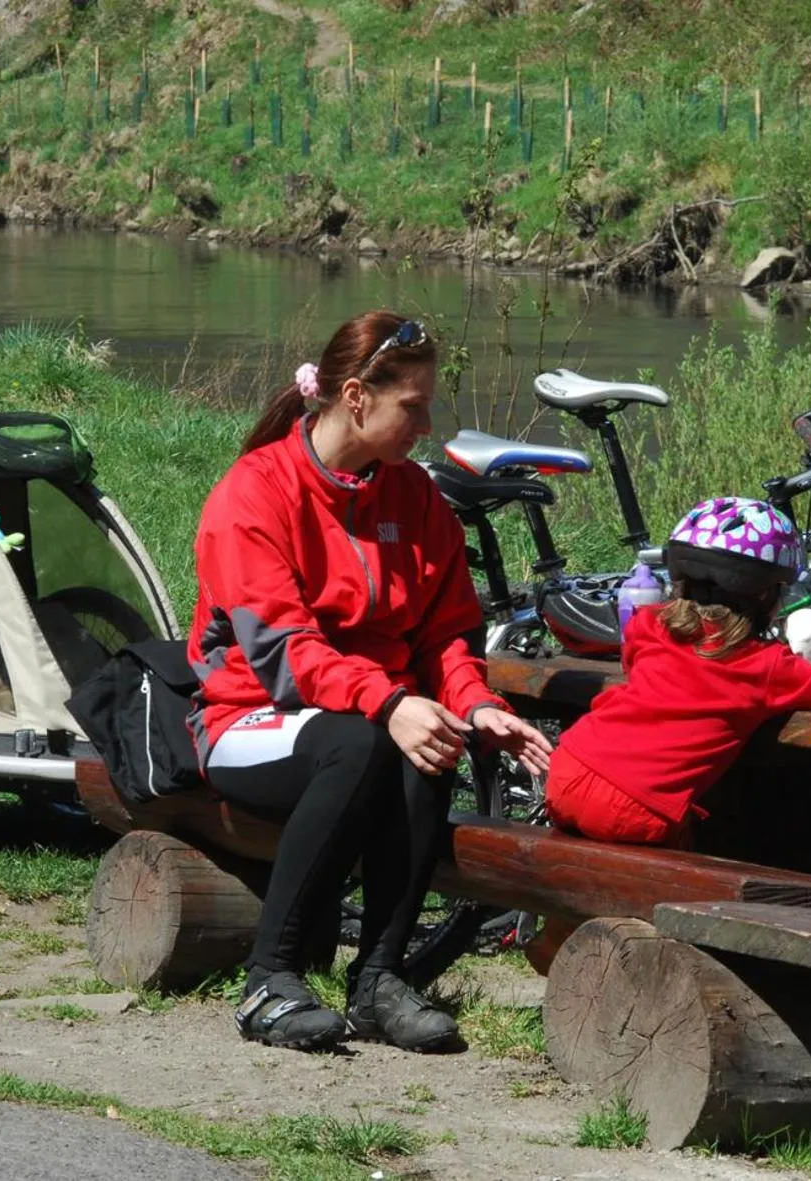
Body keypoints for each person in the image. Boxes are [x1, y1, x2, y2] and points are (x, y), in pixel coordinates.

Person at [188, 312, 553, 1052]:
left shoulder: (415, 498)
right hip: (247, 717)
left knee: (427, 743)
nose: (426, 423)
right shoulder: (254, 492)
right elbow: (283, 656)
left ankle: (379, 978)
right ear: (356, 397)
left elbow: (445, 634)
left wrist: (475, 704)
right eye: (412, 406)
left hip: (365, 720)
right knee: (369, 742)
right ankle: (269, 978)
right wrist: (389, 701)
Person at [546, 497, 811, 846]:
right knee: (688, 884)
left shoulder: (649, 624)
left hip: (568, 766)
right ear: (765, 595)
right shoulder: (763, 667)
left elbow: (639, 665)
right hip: (636, 802)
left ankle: (557, 940)